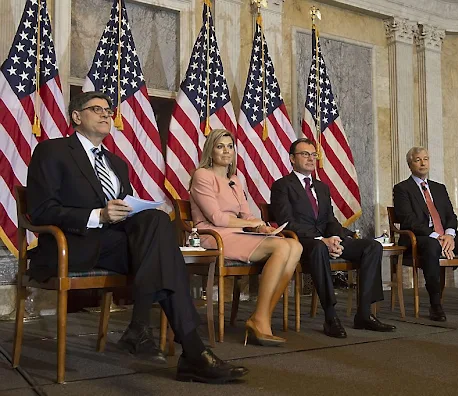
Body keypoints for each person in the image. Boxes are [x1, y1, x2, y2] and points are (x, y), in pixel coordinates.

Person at [26, 91, 247, 383]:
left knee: (155, 219)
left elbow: (127, 212)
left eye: (109, 109)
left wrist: (128, 211)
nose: (107, 114)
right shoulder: (52, 151)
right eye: (97, 109)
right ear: (76, 117)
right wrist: (98, 216)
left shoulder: (117, 164)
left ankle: (146, 330)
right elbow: (41, 210)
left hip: (116, 243)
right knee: (163, 255)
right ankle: (186, 349)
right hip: (73, 243)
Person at [270, 138, 395, 338]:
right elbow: (287, 223)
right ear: (292, 159)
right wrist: (322, 240)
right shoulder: (282, 186)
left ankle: (364, 313)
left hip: (328, 239)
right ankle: (330, 317)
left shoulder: (322, 187)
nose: (311, 158)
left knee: (372, 247)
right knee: (319, 248)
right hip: (302, 242)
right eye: (305, 154)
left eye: (313, 155)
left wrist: (335, 237)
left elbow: (329, 218)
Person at [189, 129, 302, 346]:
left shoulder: (235, 179)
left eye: (230, 146)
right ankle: (260, 320)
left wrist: (262, 227)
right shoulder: (202, 175)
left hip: (237, 234)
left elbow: (246, 214)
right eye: (220, 146)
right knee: (281, 248)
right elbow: (217, 218)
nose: (226, 151)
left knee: (294, 247)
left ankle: (261, 317)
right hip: (214, 236)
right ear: (210, 150)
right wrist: (251, 224)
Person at [393, 147, 458, 322]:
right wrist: (436, 236)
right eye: (418, 159)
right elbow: (408, 220)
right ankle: (435, 304)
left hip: (446, 236)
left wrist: (449, 234)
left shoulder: (439, 188)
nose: (423, 163)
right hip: (420, 238)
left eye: (426, 159)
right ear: (410, 164)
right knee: (432, 246)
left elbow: (450, 215)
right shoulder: (402, 189)